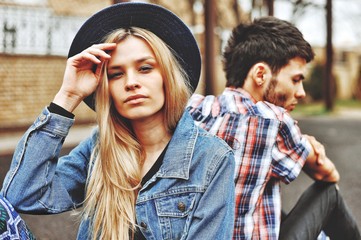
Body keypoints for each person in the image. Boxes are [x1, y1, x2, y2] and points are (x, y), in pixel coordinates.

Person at [1, 2, 235, 240]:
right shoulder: (99, 150)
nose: (131, 82)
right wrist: (68, 97)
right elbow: (22, 195)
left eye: (145, 68)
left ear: (167, 76)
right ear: (107, 88)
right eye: (116, 74)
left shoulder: (211, 159)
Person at [187, 16, 361, 240]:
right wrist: (306, 143)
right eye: (296, 79)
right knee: (329, 195)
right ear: (260, 74)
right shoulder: (271, 121)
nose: (301, 92)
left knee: (261, 197)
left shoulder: (196, 108)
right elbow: (327, 174)